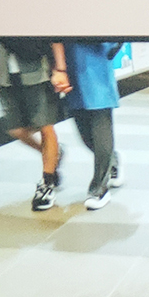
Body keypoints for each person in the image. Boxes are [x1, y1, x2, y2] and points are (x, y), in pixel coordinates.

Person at [0, 39, 71, 212]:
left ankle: (47, 183)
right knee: (16, 130)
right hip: (3, 73)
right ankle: (53, 153)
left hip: (37, 70)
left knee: (45, 126)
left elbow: (54, 36)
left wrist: (60, 69)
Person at [61, 41, 125, 210]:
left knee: (100, 127)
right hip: (70, 66)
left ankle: (99, 189)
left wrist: (115, 45)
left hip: (97, 65)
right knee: (85, 135)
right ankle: (112, 159)